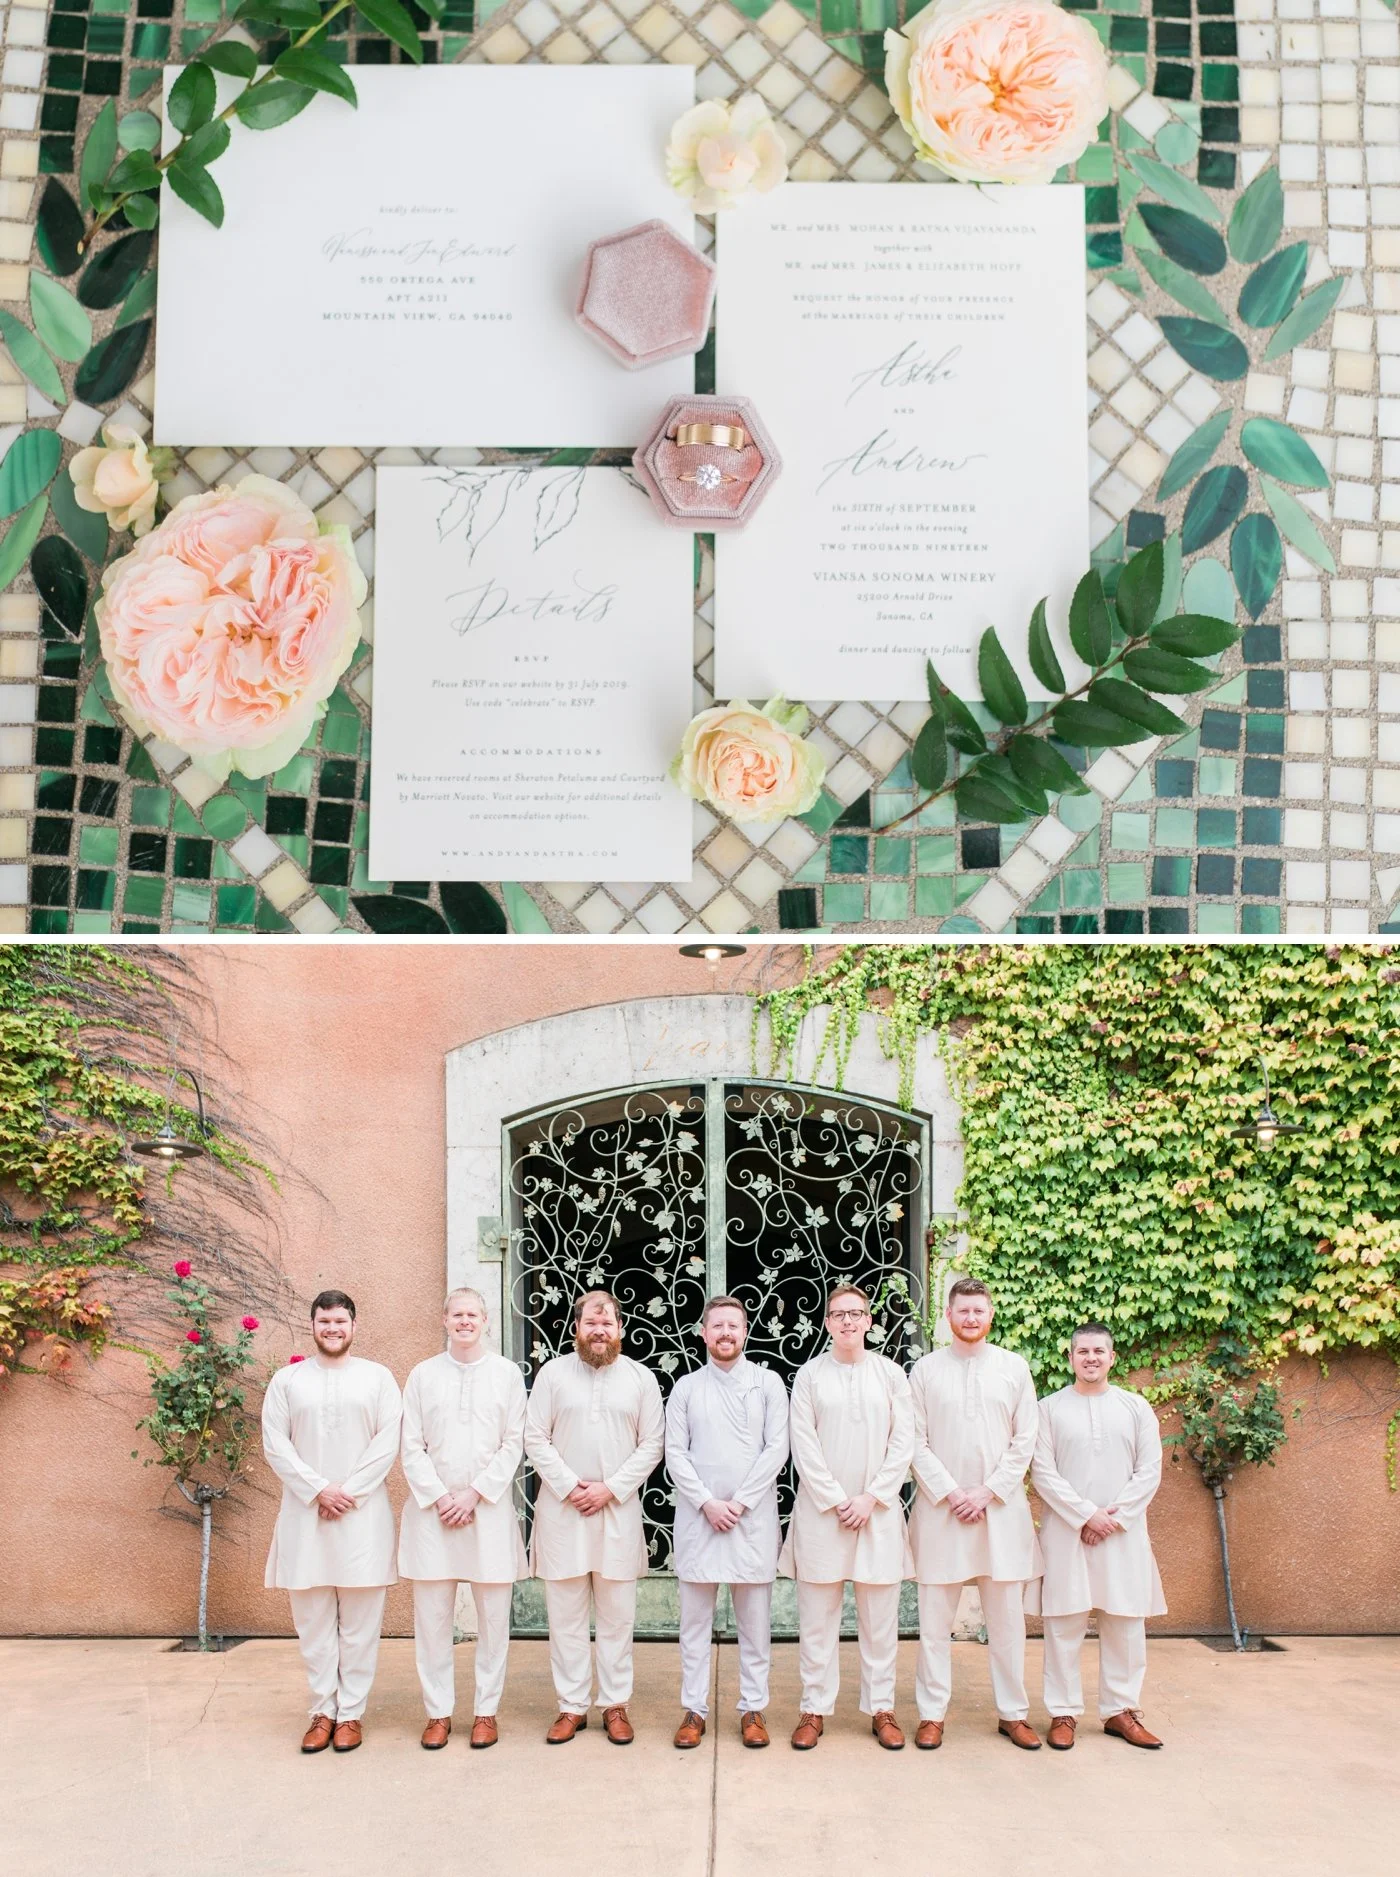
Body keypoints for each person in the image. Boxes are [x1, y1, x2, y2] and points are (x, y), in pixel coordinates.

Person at [261, 1289, 402, 1753]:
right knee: (314, 1624)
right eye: (325, 1322)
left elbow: (388, 1442)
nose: (333, 1329)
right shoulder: (287, 1381)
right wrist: (319, 1489)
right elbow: (275, 1445)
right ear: (313, 1326)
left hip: (362, 1518)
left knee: (360, 1625)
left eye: (340, 1322)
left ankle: (352, 1715)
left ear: (353, 1326)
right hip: (306, 1518)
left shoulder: (378, 1378)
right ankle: (323, 1711)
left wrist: (348, 1492)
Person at [523, 1289, 665, 1745]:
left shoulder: (640, 1378)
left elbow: (653, 1444)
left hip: (618, 1511)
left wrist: (611, 1488)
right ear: (577, 1328)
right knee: (564, 1615)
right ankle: (571, 1706)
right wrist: (570, 1486)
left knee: (617, 1616)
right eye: (591, 1324)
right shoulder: (552, 1375)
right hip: (562, 1512)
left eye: (607, 1324)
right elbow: (535, 1437)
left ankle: (615, 1704)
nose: (599, 1331)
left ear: (619, 1328)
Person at [907, 1276, 1043, 1751]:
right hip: (941, 1513)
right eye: (962, 1310)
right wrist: (950, 1492)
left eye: (978, 1311)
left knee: (1006, 1622)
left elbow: (1025, 1439)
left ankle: (1013, 1713)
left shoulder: (1013, 1367)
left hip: (999, 1513)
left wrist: (987, 1492)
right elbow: (913, 1441)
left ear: (990, 1315)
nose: (970, 1318)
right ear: (948, 1315)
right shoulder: (925, 1370)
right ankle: (931, 1714)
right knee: (933, 1623)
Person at [780, 1283, 915, 1752]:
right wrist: (839, 1499)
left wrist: (872, 1497)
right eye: (839, 1314)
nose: (848, 1321)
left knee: (880, 1620)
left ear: (870, 1321)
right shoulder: (810, 1376)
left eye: (856, 1313)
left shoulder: (892, 1375)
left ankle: (882, 1708)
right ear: (826, 1322)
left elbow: (904, 1443)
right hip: (824, 1515)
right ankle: (813, 1708)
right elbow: (804, 1444)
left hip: (876, 1514)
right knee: (818, 1619)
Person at [399, 1287, 528, 1752]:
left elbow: (514, 1442)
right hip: (433, 1516)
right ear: (444, 1320)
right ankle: (438, 1712)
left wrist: (474, 1493)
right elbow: (410, 1444)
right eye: (457, 1314)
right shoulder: (422, 1375)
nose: (465, 1321)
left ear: (486, 1320)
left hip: (487, 1513)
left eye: (472, 1314)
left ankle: (485, 1712)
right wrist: (439, 1497)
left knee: (494, 1620)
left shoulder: (507, 1375)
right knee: (432, 1620)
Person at [1030, 1322, 1167, 1751]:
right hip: (1067, 1533)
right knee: (1064, 1623)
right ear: (1069, 1358)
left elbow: (1150, 1470)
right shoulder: (1048, 1409)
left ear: (1112, 1358)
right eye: (1082, 1351)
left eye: (1099, 1351)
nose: (1091, 1357)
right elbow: (1042, 1472)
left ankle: (1120, 1711)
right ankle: (1063, 1711)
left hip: (1121, 1535)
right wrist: (1086, 1515)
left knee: (1125, 1621)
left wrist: (1114, 1518)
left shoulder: (1136, 1407)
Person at [665, 1295, 789, 1751]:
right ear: (703, 1332)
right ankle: (694, 1709)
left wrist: (739, 1502)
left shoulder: (769, 1383)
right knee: (694, 1625)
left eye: (732, 1326)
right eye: (716, 1326)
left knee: (755, 1626)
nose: (725, 1334)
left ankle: (753, 1708)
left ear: (745, 1331)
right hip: (700, 1522)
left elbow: (777, 1448)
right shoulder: (686, 1388)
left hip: (751, 1521)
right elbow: (674, 1453)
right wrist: (707, 1503)